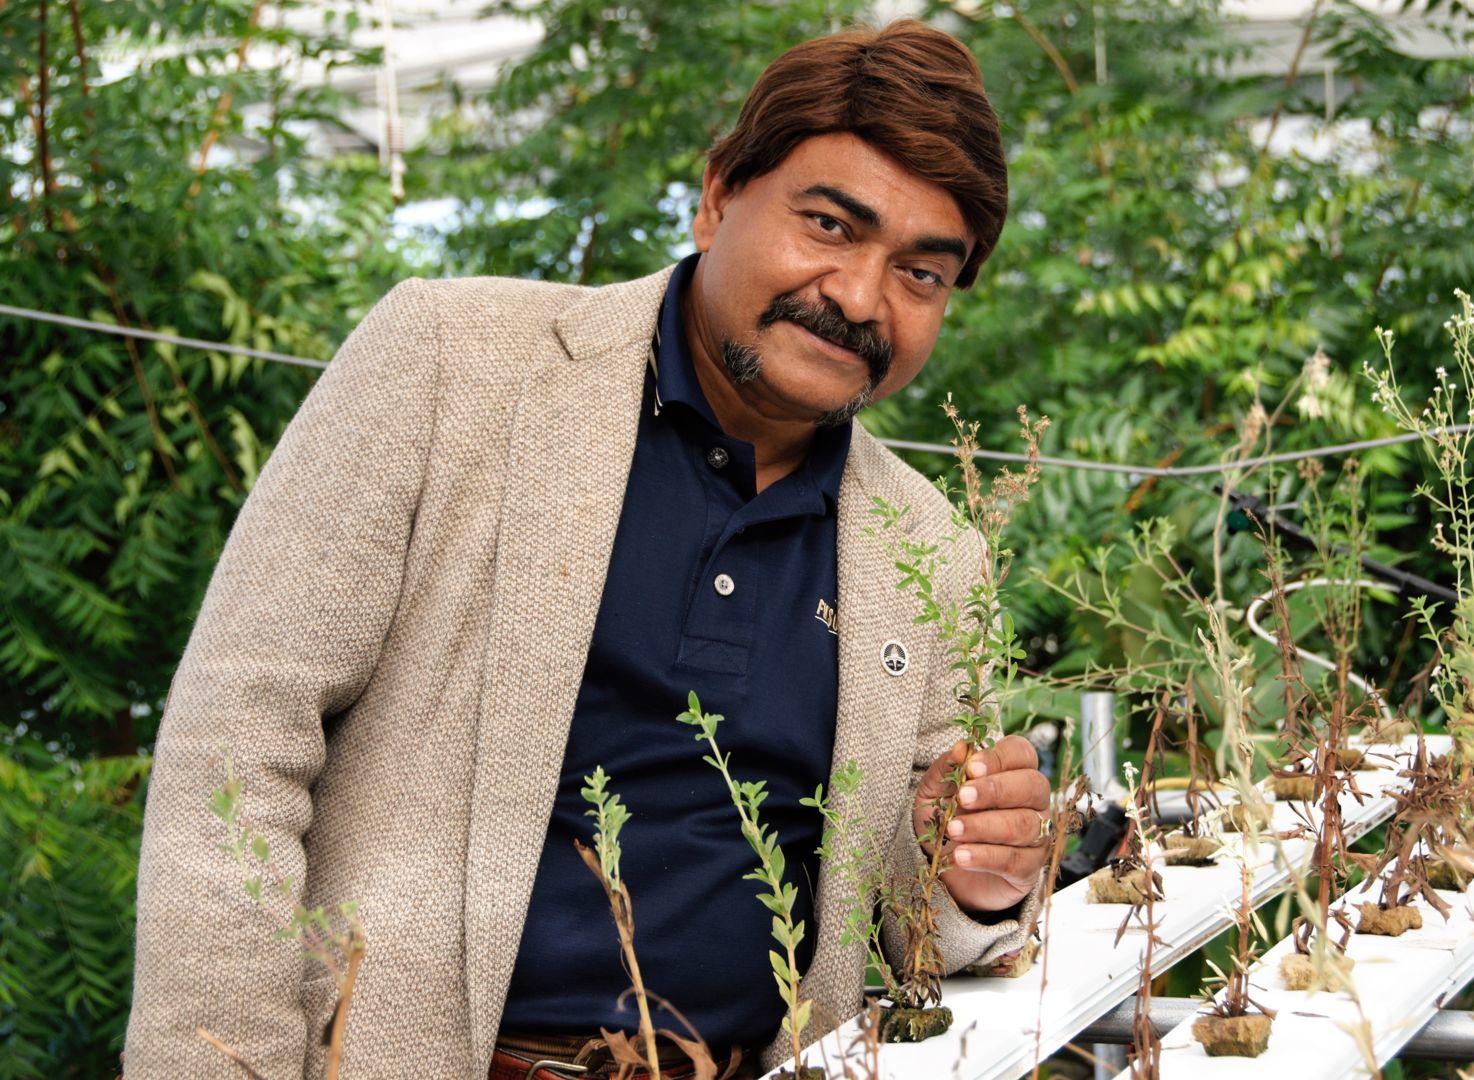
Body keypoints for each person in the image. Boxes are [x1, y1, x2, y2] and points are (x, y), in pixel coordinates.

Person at [123, 18, 1051, 1080]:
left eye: (921, 275)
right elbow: (235, 746)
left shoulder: (928, 547)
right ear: (716, 197)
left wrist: (972, 873)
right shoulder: (452, 367)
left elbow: (911, 918)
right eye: (831, 225)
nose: (858, 298)